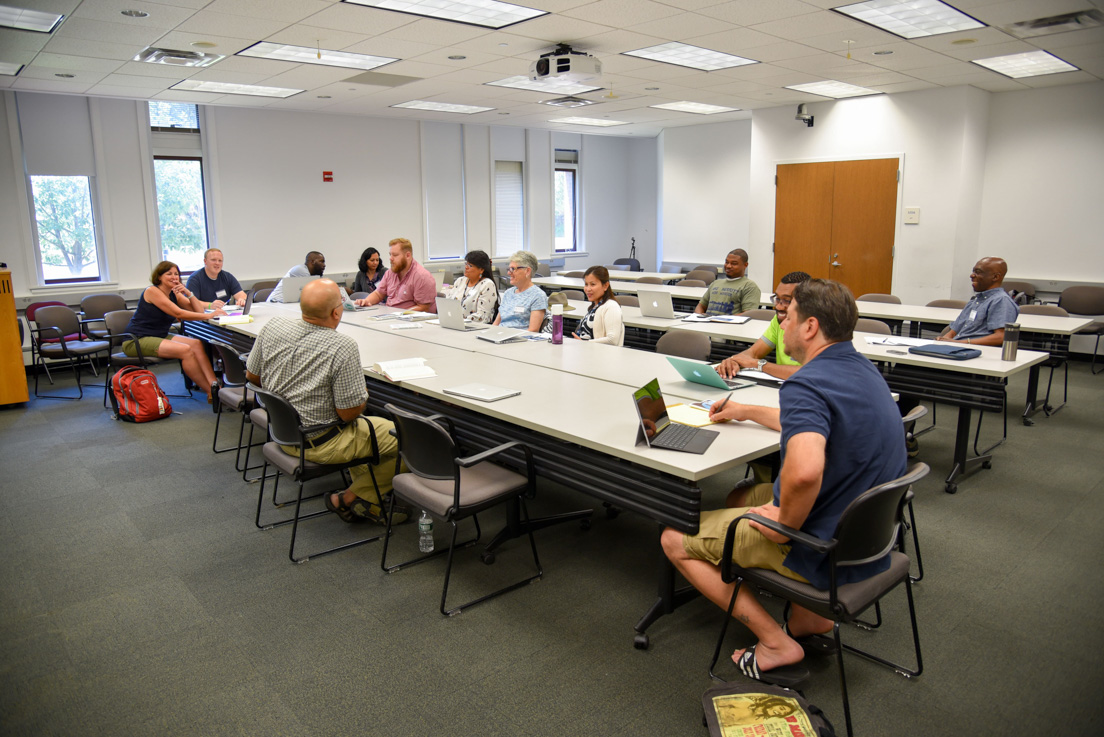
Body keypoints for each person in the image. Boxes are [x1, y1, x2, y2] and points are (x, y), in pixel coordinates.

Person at [662, 278, 907, 687]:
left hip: (821, 544)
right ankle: (810, 618)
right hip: (868, 535)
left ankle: (775, 642)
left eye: (788, 316)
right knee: (741, 494)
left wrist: (783, 525)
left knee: (673, 538)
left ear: (809, 327)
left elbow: (807, 469)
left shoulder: (805, 382)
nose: (782, 322)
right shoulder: (860, 368)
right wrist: (748, 410)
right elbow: (817, 424)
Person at [245, 279, 406, 525]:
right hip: (321, 443)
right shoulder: (342, 346)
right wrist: (360, 394)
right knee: (406, 439)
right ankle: (349, 498)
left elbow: (252, 377)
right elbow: (349, 415)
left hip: (282, 433)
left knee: (367, 430)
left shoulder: (272, 327)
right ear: (336, 312)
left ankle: (368, 499)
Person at [123, 261, 226, 406]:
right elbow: (178, 313)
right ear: (159, 277)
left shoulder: (173, 293)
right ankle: (211, 392)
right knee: (185, 350)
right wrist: (211, 315)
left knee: (196, 343)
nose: (174, 277)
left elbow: (197, 311)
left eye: (176, 274)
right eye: (169, 274)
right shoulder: (152, 291)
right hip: (137, 339)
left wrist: (189, 293)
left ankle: (215, 386)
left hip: (158, 334)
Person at [717, 271, 811, 380]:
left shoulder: (817, 327)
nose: (779, 307)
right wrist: (734, 360)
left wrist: (760, 365)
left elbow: (810, 373)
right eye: (777, 299)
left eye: (787, 300)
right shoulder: (778, 320)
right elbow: (754, 352)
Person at [937, 257, 1019, 346]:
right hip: (959, 346)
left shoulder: (1001, 300)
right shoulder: (977, 299)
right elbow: (955, 328)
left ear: (995, 277)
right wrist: (945, 339)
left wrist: (960, 343)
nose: (972, 275)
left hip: (975, 351)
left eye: (978, 272)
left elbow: (1000, 337)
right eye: (973, 271)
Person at [355, 238, 436, 312]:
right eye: (390, 254)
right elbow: (378, 294)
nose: (391, 258)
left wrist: (400, 314)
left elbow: (424, 307)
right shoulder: (390, 273)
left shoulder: (422, 276)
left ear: (408, 255)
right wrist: (366, 301)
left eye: (395, 255)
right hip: (392, 317)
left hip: (411, 321)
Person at [695, 249, 761, 317]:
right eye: (727, 262)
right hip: (708, 324)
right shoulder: (715, 283)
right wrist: (699, 318)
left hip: (730, 326)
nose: (728, 266)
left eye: (734, 263)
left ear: (745, 265)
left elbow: (748, 314)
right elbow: (701, 306)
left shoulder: (749, 286)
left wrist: (719, 320)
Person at [493, 250, 547, 332]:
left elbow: (533, 330)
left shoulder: (538, 295)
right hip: (500, 335)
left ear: (527, 271)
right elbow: (496, 324)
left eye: (513, 269)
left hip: (519, 340)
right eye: (509, 269)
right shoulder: (508, 293)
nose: (508, 273)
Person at [572, 265, 624, 346]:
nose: (588, 289)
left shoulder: (611, 306)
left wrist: (584, 343)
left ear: (605, 286)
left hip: (600, 355)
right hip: (587, 352)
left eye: (592, 284)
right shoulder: (594, 306)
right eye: (586, 284)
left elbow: (613, 340)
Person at [442, 249, 498, 323]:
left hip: (474, 326)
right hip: (453, 323)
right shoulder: (460, 281)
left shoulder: (487, 285)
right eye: (466, 264)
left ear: (481, 270)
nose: (466, 267)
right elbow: (448, 303)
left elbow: (483, 316)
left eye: (470, 265)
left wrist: (461, 321)